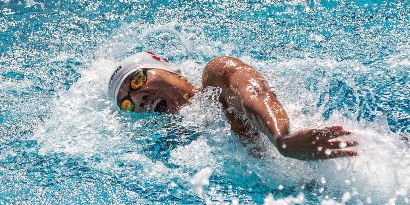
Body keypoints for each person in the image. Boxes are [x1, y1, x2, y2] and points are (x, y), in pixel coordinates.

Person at [108, 52, 358, 160]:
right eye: (128, 104)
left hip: (346, 147)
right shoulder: (186, 140)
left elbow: (255, 95)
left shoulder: (215, 78)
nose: (138, 98)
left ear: (164, 66)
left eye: (136, 79)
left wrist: (283, 138)